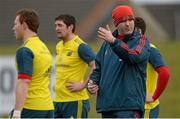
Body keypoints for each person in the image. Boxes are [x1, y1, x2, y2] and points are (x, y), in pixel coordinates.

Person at [87, 5, 150, 118]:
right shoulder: (107, 44)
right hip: (107, 107)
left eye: (130, 19)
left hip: (129, 107)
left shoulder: (141, 41)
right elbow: (98, 68)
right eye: (123, 20)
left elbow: (134, 56)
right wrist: (92, 83)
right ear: (116, 24)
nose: (128, 23)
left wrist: (114, 42)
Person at [11, 9, 54, 118]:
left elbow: (24, 82)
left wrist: (16, 113)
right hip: (48, 107)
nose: (13, 28)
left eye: (15, 24)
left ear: (24, 25)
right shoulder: (43, 47)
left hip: (30, 108)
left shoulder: (25, 50)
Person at [53, 14, 95, 118]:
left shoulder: (80, 46)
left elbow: (97, 65)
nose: (56, 28)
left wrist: (83, 85)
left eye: (60, 25)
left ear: (70, 27)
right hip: (58, 101)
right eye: (56, 25)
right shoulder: (59, 46)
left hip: (74, 101)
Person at [135, 17, 170, 118]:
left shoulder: (150, 49)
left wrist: (154, 96)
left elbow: (165, 73)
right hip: (131, 107)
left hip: (146, 108)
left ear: (138, 31)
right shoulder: (129, 50)